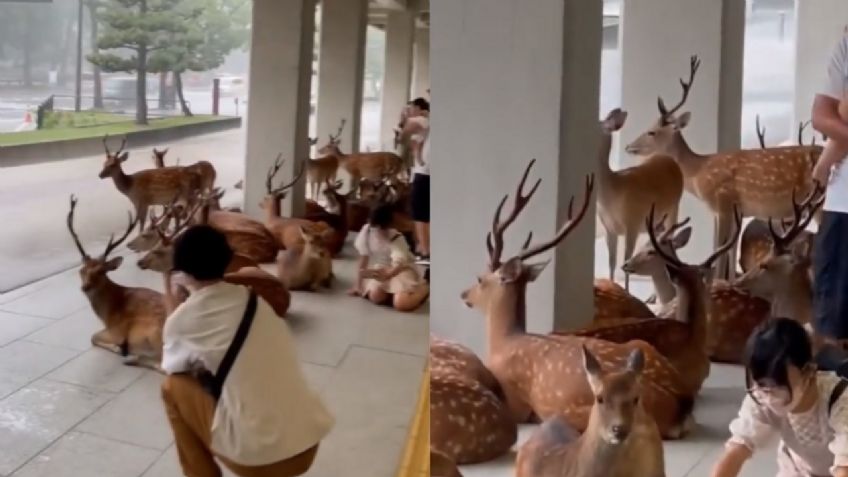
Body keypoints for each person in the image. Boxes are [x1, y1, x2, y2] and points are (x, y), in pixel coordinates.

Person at [160, 225, 334, 477]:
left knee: (171, 388)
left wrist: (172, 299)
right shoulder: (254, 301)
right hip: (306, 445)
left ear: (182, 273)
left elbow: (172, 366)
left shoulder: (184, 321)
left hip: (261, 460)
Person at [709, 318, 848, 477]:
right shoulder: (761, 396)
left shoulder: (841, 401)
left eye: (779, 385)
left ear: (808, 371)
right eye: (762, 384)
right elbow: (737, 451)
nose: (769, 395)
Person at [812, 33, 848, 348]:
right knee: (833, 325)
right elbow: (822, 115)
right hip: (843, 203)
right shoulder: (846, 43)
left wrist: (827, 158)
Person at [347, 204, 429, 312]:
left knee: (401, 304)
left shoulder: (395, 237)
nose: (378, 231)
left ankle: (424, 289)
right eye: (375, 227)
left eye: (382, 228)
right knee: (375, 296)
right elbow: (363, 258)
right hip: (383, 269)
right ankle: (394, 293)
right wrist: (358, 285)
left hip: (401, 269)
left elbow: (400, 262)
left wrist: (388, 274)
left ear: (389, 225)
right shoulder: (367, 231)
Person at [402, 97, 430, 261]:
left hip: (424, 173)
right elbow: (415, 148)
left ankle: (425, 251)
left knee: (420, 214)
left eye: (412, 108)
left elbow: (405, 133)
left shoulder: (421, 119)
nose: (410, 111)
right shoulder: (427, 122)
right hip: (423, 172)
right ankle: (424, 247)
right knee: (425, 213)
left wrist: (405, 118)